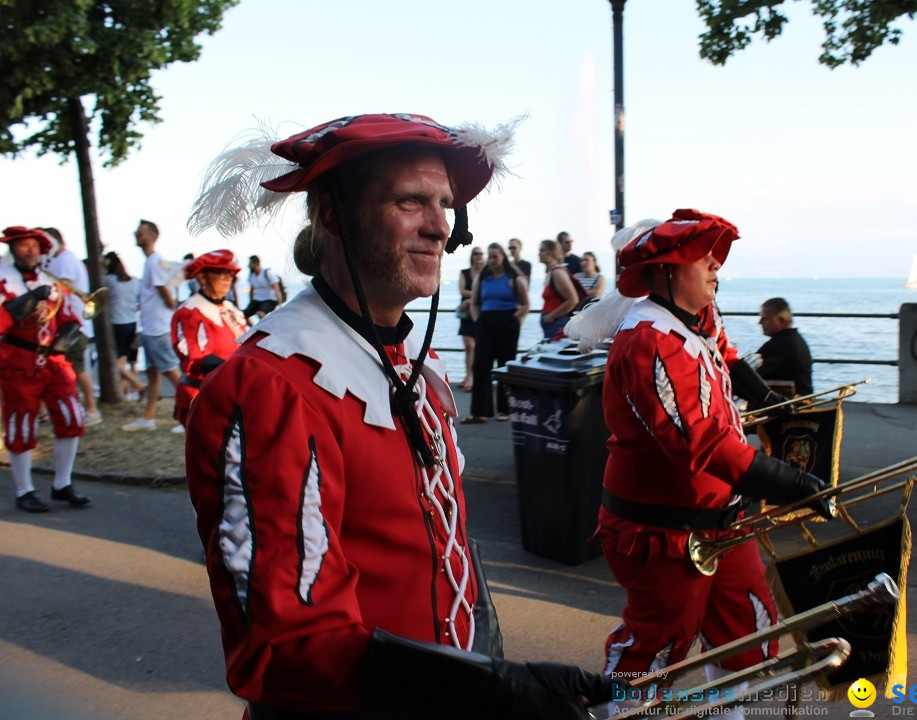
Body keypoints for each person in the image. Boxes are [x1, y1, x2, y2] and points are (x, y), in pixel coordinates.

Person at [183, 112, 617, 719]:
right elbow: (284, 645)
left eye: (446, 205)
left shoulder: (415, 357)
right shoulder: (271, 386)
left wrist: (486, 667)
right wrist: (485, 688)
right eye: (411, 201)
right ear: (334, 214)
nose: (441, 228)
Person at [594, 210, 832, 702]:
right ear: (664, 270)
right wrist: (794, 484)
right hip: (660, 530)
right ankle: (613, 712)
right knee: (656, 643)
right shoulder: (648, 340)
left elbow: (725, 355)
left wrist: (772, 403)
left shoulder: (697, 317)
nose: (714, 266)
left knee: (747, 629)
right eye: (699, 258)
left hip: (719, 516)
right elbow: (700, 442)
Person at [0, 226, 91, 512]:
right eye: (24, 245)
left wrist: (64, 339)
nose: (30, 251)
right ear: (13, 248)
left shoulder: (51, 280)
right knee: (21, 425)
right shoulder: (3, 279)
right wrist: (29, 299)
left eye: (34, 246)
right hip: (18, 362)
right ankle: (24, 490)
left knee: (71, 416)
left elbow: (70, 315)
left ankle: (62, 484)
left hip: (53, 363)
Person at [169, 250, 246, 428]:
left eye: (230, 273)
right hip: (203, 397)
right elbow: (197, 358)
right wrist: (242, 372)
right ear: (202, 278)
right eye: (221, 273)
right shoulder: (190, 312)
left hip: (232, 392)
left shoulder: (228, 307)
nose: (228, 278)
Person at [121, 220, 182, 432]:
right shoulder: (150, 262)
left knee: (172, 372)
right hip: (150, 327)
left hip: (157, 328)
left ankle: (191, 414)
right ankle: (148, 418)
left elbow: (164, 292)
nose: (137, 235)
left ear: (153, 236)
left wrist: (169, 306)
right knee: (154, 373)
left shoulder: (154, 261)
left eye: (141, 233)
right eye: (136, 232)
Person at [41, 228, 102, 426]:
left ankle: (92, 410)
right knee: (71, 367)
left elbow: (62, 288)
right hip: (71, 323)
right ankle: (80, 407)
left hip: (74, 323)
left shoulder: (65, 258)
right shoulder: (60, 259)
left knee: (76, 367)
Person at [463, 242, 528, 423]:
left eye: (495, 256)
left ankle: (505, 409)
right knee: (480, 366)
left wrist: (513, 319)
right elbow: (474, 302)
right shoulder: (482, 278)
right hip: (486, 322)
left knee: (505, 366)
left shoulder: (514, 278)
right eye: (489, 256)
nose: (491, 260)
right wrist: (477, 320)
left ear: (503, 257)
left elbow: (525, 304)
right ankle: (480, 412)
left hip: (508, 323)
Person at [102, 251, 147, 400]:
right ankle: (124, 390)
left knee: (117, 364)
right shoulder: (135, 281)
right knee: (125, 360)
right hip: (132, 324)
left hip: (117, 324)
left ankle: (139, 385)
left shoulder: (108, 280)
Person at [755, 297, 813, 396]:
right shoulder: (796, 340)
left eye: (765, 318)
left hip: (788, 406)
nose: (760, 322)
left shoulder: (778, 345)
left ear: (781, 320)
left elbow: (747, 375)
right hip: (804, 400)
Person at [537, 238, 578, 339]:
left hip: (557, 324)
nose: (539, 254)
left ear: (552, 253)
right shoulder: (551, 273)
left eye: (542, 250)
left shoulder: (558, 273)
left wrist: (551, 316)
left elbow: (573, 300)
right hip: (552, 323)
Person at [457, 245, 485, 391]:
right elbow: (462, 290)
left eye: (480, 253)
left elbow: (487, 290)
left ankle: (475, 376)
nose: (478, 256)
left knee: (480, 348)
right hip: (467, 314)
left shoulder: (487, 273)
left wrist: (470, 299)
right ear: (472, 256)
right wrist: (475, 295)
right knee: (469, 347)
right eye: (476, 253)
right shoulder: (465, 273)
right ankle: (469, 376)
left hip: (481, 313)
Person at [243, 254, 283, 322]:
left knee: (261, 313)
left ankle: (270, 329)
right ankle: (252, 329)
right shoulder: (251, 275)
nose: (248, 265)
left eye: (250, 263)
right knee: (243, 315)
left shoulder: (267, 272)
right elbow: (252, 291)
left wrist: (280, 305)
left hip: (270, 300)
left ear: (256, 263)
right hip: (257, 300)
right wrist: (251, 303)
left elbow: (277, 289)